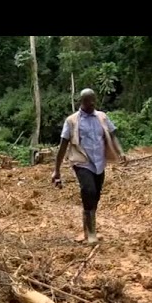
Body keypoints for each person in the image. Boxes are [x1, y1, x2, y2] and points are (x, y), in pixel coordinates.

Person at [51, 88, 126, 245]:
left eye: (93, 100)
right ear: (81, 102)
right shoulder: (71, 121)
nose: (91, 103)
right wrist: (56, 170)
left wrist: (121, 152)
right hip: (81, 161)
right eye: (87, 101)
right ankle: (91, 234)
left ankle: (88, 230)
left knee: (96, 195)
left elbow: (113, 136)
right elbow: (63, 146)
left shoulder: (102, 117)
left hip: (99, 162)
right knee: (88, 190)